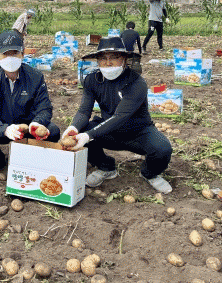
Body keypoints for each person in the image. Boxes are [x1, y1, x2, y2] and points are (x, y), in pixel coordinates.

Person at [61, 37, 173, 194]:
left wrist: (88, 135)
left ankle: (149, 173)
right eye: (103, 58)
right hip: (109, 131)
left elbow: (121, 116)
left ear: (125, 59)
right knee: (81, 131)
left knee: (163, 148)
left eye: (114, 57)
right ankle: (106, 167)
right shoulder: (92, 80)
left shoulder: (136, 82)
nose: (108, 63)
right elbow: (84, 111)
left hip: (138, 133)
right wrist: (74, 127)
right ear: (97, 61)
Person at [0, 30, 60, 176]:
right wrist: (4, 129)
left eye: (15, 53)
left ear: (22, 54)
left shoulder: (35, 76)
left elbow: (45, 108)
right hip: (3, 127)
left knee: (53, 131)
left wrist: (36, 124)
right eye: (5, 54)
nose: (10, 58)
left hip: (28, 129)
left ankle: (30, 159)